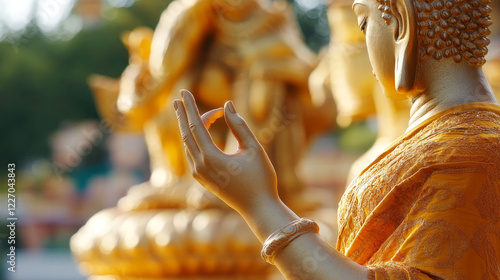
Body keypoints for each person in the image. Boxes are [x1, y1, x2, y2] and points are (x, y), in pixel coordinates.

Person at [174, 0, 500, 279]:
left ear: (399, 21)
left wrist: (259, 204)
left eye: (363, 24)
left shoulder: (470, 153)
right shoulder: (451, 141)